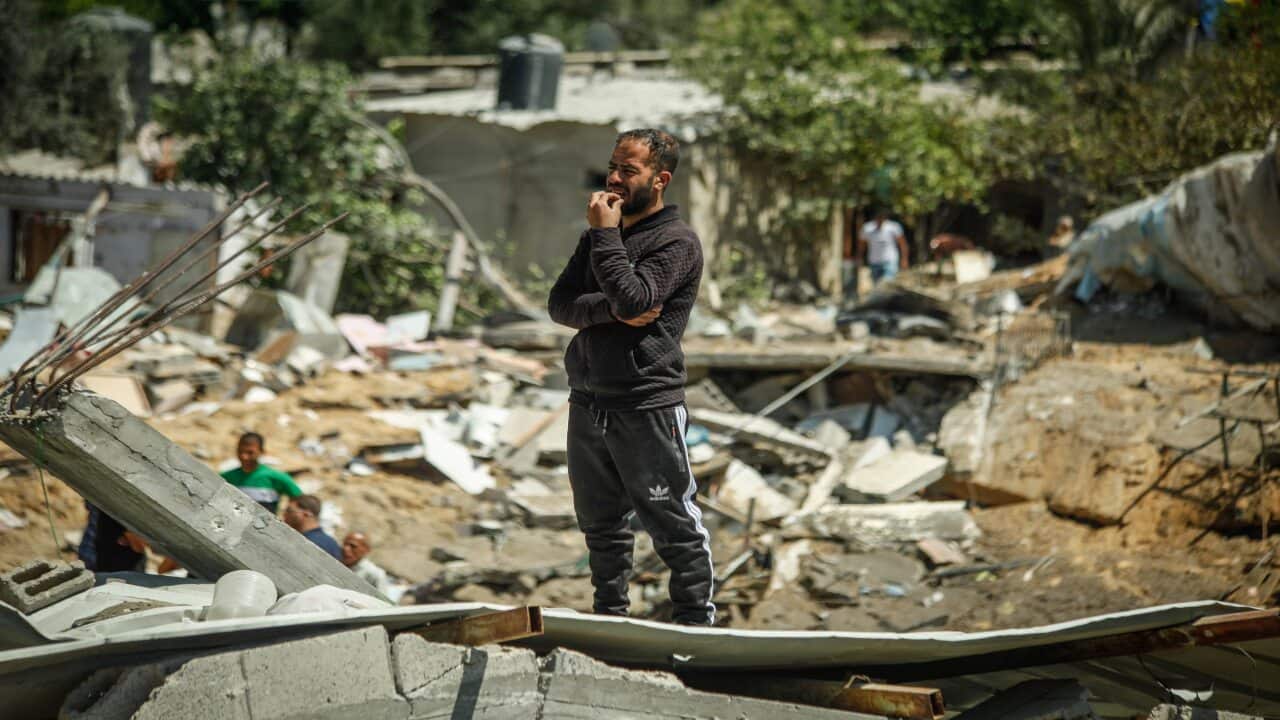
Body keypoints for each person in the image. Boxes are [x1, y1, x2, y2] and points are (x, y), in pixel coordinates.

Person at [547, 128, 715, 626]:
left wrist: (605, 238)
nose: (614, 179)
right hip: (589, 399)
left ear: (660, 180)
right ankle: (610, 618)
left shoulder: (676, 241)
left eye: (629, 170)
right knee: (601, 525)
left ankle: (696, 622)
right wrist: (612, 308)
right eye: (613, 167)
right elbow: (561, 305)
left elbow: (637, 300)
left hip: (647, 403)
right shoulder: (599, 235)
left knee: (673, 523)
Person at [221, 432, 302, 514]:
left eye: (250, 452)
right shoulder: (227, 477)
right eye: (240, 451)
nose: (244, 456)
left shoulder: (276, 477)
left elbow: (300, 500)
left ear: (261, 452)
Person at [283, 494, 342, 560]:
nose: (284, 514)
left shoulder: (313, 542)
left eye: (289, 510)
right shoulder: (330, 543)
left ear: (307, 513)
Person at [858, 209, 909, 285]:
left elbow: (902, 244)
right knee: (877, 285)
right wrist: (860, 258)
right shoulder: (867, 228)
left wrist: (904, 259)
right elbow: (862, 245)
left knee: (887, 284)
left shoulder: (893, 227)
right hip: (874, 262)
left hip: (890, 261)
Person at [341, 531, 394, 596]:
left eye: (353, 546)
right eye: (345, 544)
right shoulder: (338, 565)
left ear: (366, 550)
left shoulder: (376, 575)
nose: (345, 549)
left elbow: (382, 602)